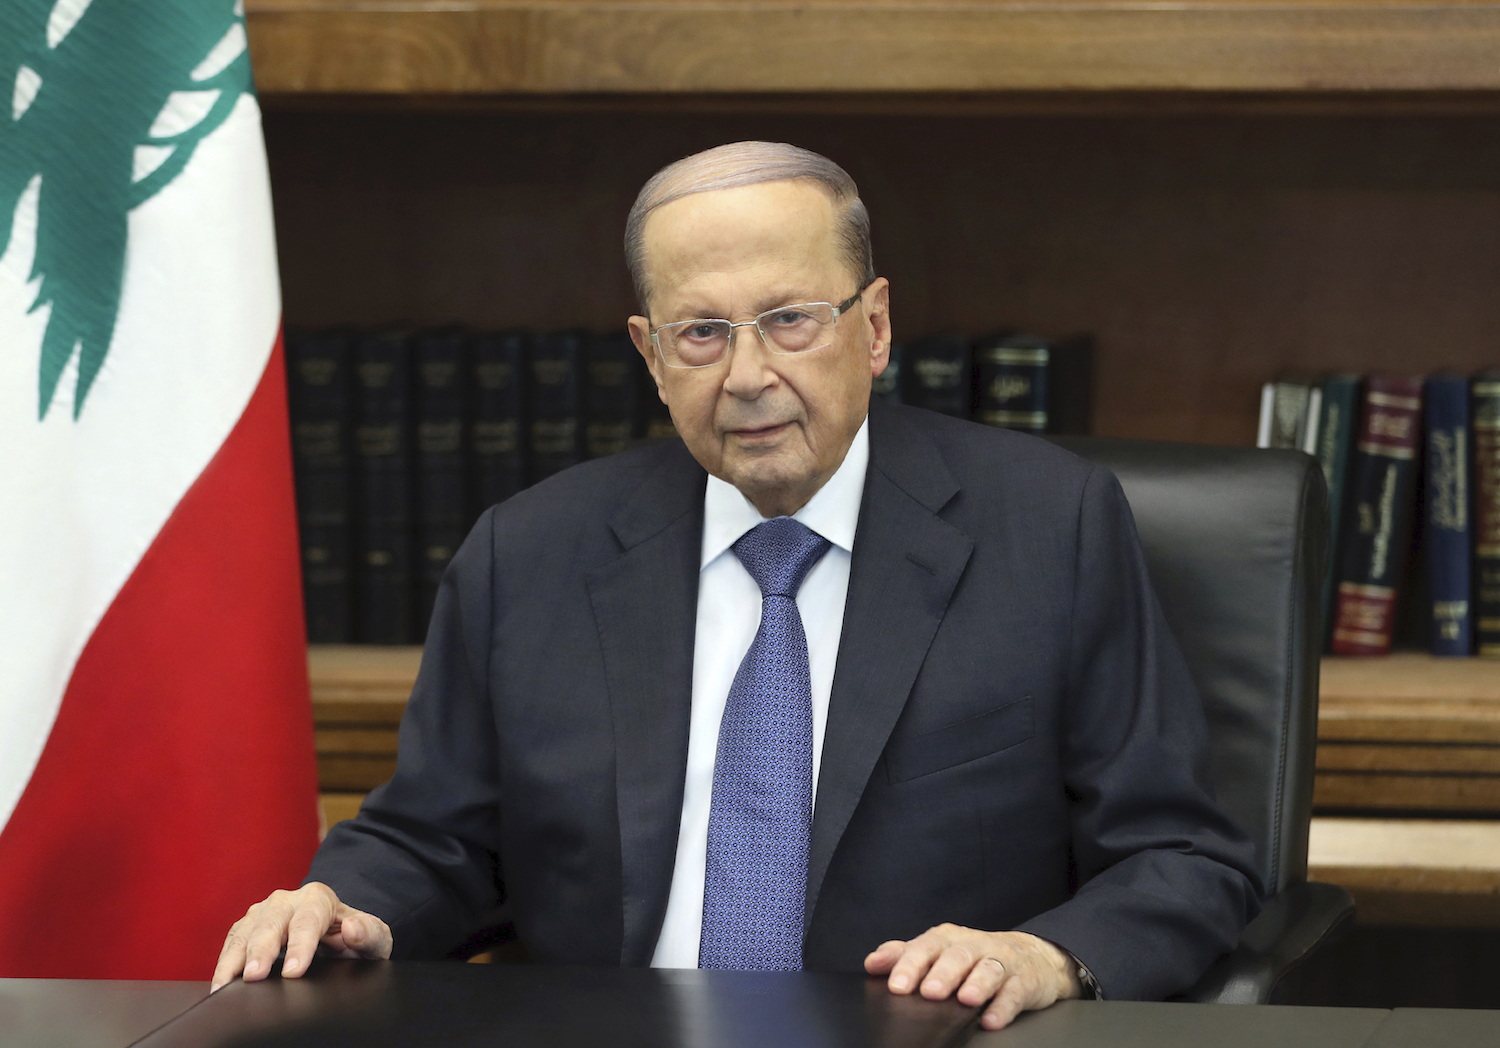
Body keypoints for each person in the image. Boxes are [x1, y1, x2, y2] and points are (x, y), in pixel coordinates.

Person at [214, 142, 1261, 1030]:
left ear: (877, 326)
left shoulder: (1049, 528)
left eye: (791, 319)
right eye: (702, 333)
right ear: (651, 355)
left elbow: (1182, 855)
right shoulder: (529, 554)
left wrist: (1046, 956)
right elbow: (432, 837)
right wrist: (350, 907)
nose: (749, 374)